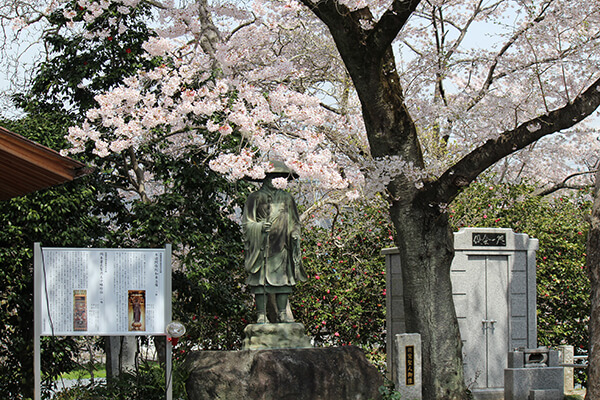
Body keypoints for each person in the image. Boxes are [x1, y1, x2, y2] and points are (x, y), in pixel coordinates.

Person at [242, 161, 307, 323]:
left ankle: (282, 314)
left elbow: (295, 221)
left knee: (283, 280)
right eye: (271, 176)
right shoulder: (255, 197)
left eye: (279, 177)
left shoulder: (287, 198)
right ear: (263, 178)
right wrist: (259, 227)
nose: (275, 180)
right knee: (260, 281)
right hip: (262, 246)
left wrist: (294, 234)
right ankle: (261, 314)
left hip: (282, 245)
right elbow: (247, 223)